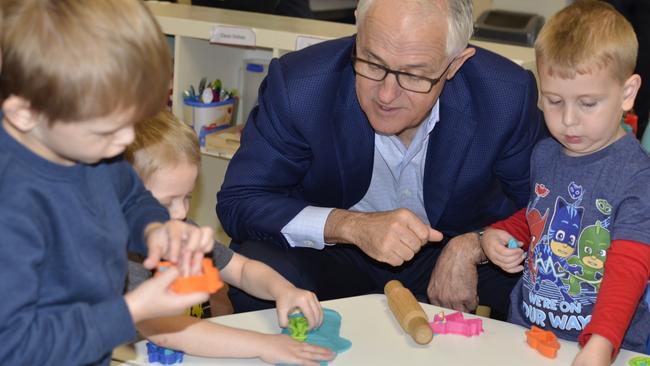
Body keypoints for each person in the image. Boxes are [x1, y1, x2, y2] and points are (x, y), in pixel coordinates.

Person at [217, 0, 547, 319]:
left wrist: (473, 247)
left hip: (448, 246)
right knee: (260, 267)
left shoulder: (504, 96)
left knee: (548, 274)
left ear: (456, 64)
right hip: (333, 251)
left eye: (415, 76)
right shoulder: (301, 85)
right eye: (372, 64)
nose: (386, 95)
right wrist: (347, 226)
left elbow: (547, 206)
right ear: (359, 29)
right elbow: (240, 201)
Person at [0, 1, 215, 364]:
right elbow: (14, 346)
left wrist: (155, 229)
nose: (126, 139)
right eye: (108, 129)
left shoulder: (92, 149)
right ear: (25, 113)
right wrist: (132, 310)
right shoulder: (12, 205)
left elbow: (130, 197)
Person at [479, 1, 650, 364]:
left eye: (587, 103)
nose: (568, 120)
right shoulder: (545, 153)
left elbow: (630, 267)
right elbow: (538, 216)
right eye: (554, 100)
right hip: (527, 333)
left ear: (627, 93)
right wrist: (499, 233)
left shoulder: (636, 174)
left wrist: (600, 343)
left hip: (605, 348)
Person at [125, 110, 335, 365]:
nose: (181, 212)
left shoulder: (182, 232)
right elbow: (169, 331)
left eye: (187, 197)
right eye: (167, 202)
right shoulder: (125, 257)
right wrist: (263, 344)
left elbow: (242, 270)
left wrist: (284, 290)